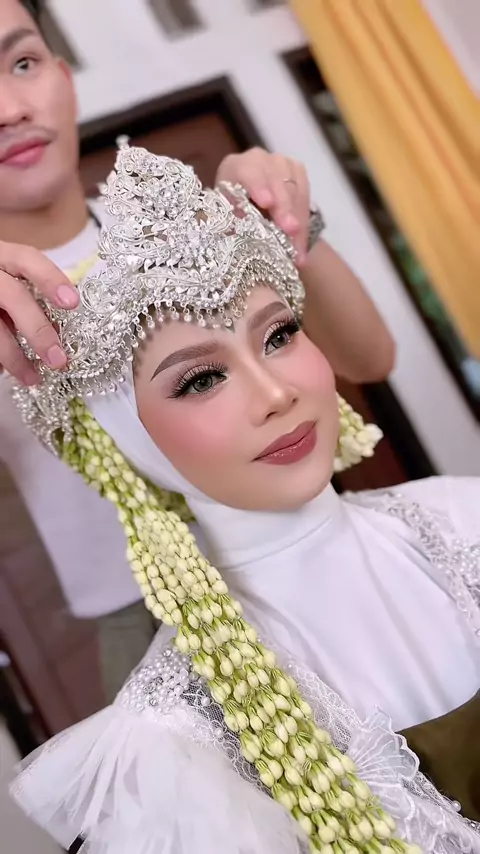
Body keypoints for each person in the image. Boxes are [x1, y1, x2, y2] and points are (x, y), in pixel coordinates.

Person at [9, 145, 480, 854]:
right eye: (200, 380)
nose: (276, 394)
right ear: (127, 439)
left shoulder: (466, 516)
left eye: (280, 335)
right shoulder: (175, 749)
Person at [0, 0, 395, 702]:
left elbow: (370, 359)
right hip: (149, 617)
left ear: (64, 78)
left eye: (22, 63)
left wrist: (279, 219)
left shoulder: (189, 227)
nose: (9, 108)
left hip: (306, 552)